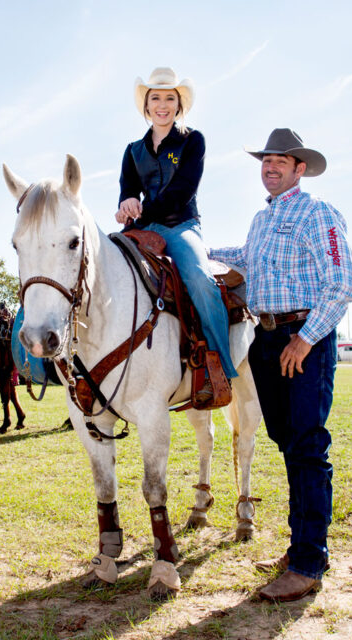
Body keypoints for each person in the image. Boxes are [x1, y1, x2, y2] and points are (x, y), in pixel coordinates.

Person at [209, 128, 352, 602]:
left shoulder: (319, 214)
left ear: (300, 169)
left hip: (302, 339)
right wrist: (197, 250)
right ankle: (300, 549)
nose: (270, 167)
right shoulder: (261, 220)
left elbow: (343, 283)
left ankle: (309, 561)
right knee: (288, 442)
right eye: (265, 160)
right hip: (267, 338)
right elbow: (246, 259)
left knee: (308, 446)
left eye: (281, 161)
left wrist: (306, 339)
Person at [115, 67, 237, 404]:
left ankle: (220, 367)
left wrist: (141, 210)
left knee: (199, 279)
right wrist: (126, 204)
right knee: (105, 268)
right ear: (147, 104)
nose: (163, 104)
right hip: (142, 228)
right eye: (156, 97)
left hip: (181, 226)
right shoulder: (133, 150)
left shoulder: (192, 140)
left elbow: (183, 191)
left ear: (179, 103)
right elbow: (128, 189)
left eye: (170, 98)